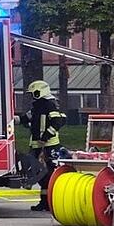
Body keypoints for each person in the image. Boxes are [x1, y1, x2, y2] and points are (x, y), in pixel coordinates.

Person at [18, 80, 67, 211]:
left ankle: (49, 203)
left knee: (48, 174)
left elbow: (58, 121)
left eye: (33, 93)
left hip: (49, 146)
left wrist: (45, 137)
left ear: (40, 92)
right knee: (40, 175)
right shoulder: (37, 106)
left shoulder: (50, 105)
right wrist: (11, 119)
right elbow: (26, 118)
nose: (32, 96)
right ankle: (44, 203)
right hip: (37, 145)